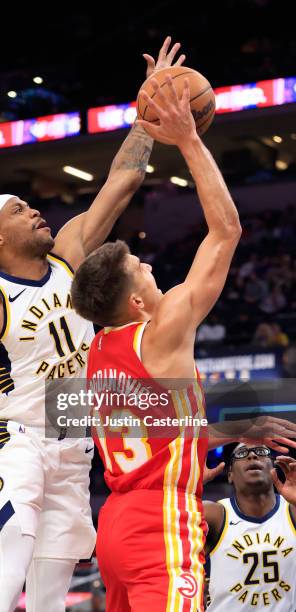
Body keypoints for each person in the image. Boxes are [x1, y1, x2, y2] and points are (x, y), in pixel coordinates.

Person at [0, 37, 186, 612]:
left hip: (75, 447)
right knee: (6, 583)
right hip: (17, 444)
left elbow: (123, 182)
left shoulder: (71, 252)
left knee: (53, 597)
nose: (34, 209)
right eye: (17, 209)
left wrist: (144, 117)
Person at [71, 75, 296, 610]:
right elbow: (226, 232)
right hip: (160, 524)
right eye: (140, 268)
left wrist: (217, 437)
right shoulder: (162, 330)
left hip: (118, 523)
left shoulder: (101, 348)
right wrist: (187, 138)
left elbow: (160, 427)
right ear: (136, 304)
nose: (150, 266)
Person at [204, 444, 296, 610]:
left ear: (274, 467)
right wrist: (186, 490)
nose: (252, 455)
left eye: (261, 452)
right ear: (230, 474)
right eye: (241, 453)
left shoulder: (292, 510)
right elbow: (159, 528)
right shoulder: (215, 514)